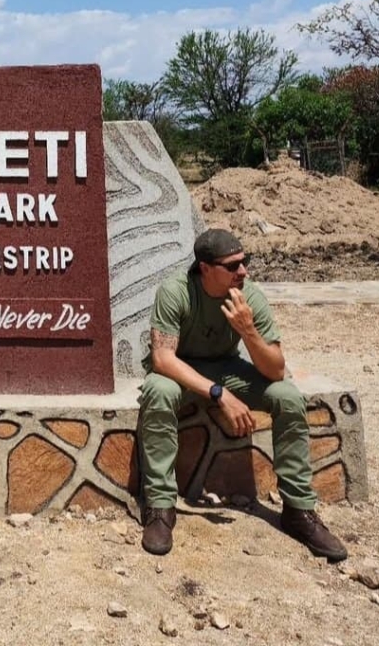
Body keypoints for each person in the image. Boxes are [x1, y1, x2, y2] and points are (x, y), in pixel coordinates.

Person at [136, 227, 348, 561]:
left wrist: (248, 331)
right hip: (181, 371)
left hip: (227, 368)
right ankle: (161, 507)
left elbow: (276, 369)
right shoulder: (176, 291)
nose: (243, 271)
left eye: (244, 262)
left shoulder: (250, 296)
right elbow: (163, 359)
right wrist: (218, 393)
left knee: (286, 396)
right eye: (232, 265)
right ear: (206, 268)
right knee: (157, 391)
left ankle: (298, 511)